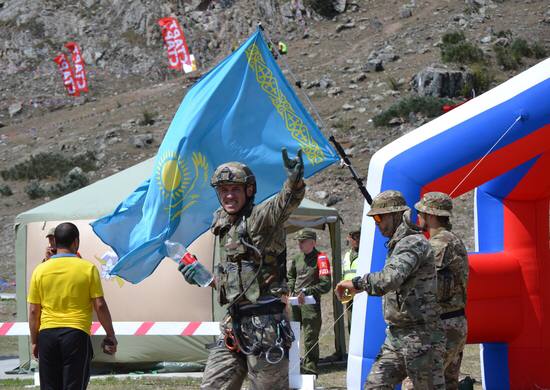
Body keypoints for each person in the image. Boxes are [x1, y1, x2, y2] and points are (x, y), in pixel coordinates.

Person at [179, 148, 305, 390]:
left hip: (266, 326)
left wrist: (294, 181)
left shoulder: (261, 218)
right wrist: (204, 278)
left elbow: (284, 203)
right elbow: (241, 279)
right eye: (223, 190)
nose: (228, 196)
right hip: (234, 324)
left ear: (249, 191)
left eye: (234, 189)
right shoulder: (225, 224)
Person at [335, 190, 445, 389]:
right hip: (397, 337)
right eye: (374, 218)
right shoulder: (398, 244)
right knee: (375, 385)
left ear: (396, 215)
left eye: (379, 216)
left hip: (422, 337)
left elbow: (390, 279)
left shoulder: (413, 243)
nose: (376, 222)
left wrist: (357, 284)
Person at [27, 222, 117, 390]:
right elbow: (100, 305)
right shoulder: (87, 268)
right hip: (76, 334)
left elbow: (33, 310)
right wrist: (110, 334)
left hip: (47, 335)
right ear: (76, 242)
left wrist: (34, 341)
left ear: (55, 241)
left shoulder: (40, 270)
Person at [415, 192, 469, 390]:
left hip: (443, 325)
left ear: (430, 215)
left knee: (418, 383)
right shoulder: (452, 240)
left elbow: (421, 281)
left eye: (420, 213)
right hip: (454, 322)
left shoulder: (439, 244)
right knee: (447, 384)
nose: (417, 217)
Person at [287, 229, 331, 376]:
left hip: (310, 304)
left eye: (303, 241)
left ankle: (310, 369)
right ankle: (292, 366)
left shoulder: (321, 258)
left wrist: (306, 291)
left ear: (312, 242)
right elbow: (291, 276)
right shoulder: (297, 258)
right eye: (298, 241)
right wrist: (290, 289)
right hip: (294, 304)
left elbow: (326, 285)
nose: (299, 244)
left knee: (310, 337)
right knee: (291, 335)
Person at [341, 228, 360, 333]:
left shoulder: (365, 254)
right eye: (354, 237)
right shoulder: (347, 256)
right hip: (349, 295)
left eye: (359, 237)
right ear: (349, 238)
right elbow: (343, 274)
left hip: (362, 293)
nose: (356, 240)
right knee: (351, 325)